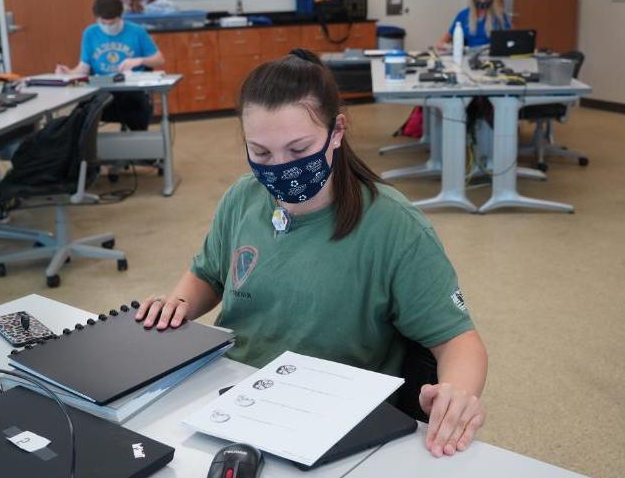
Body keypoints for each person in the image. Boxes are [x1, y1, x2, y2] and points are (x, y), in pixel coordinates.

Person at [134, 50, 488, 458]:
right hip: (232, 395)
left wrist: (456, 395)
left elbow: (458, 340)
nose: (279, 168)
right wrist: (177, 303)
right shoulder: (242, 198)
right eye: (262, 154)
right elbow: (208, 275)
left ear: (337, 132)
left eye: (299, 149)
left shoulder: (396, 227)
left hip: (328, 414)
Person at [55, 0, 164, 130]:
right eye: (102, 23)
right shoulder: (90, 33)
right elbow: (84, 67)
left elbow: (159, 59)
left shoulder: (137, 31)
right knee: (79, 115)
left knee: (136, 111)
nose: (107, 26)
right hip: (101, 88)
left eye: (112, 23)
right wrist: (69, 72)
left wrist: (140, 60)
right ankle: (85, 149)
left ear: (120, 16)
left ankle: (135, 144)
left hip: (131, 91)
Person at [436, 0, 511, 50]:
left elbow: (510, 41)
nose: (483, 2)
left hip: (492, 57)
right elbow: (446, 38)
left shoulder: (500, 16)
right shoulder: (463, 15)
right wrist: (442, 44)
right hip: (469, 57)